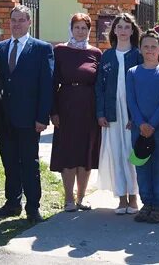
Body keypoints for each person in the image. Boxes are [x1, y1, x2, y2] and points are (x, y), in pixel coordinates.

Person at [0, 4, 54, 224]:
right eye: (13, 20)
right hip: (5, 119)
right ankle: (12, 203)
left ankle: (33, 207)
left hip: (29, 119)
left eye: (21, 20)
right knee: (9, 163)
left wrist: (42, 117)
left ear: (29, 22)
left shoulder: (41, 48)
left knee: (29, 163)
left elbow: (46, 85)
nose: (16, 24)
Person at [50, 12, 102, 212]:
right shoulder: (60, 50)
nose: (80, 31)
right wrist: (53, 111)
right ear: (71, 29)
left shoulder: (96, 53)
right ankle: (69, 199)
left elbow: (99, 85)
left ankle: (82, 198)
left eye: (84, 28)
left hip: (88, 108)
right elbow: (52, 82)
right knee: (69, 153)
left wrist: (99, 113)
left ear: (89, 31)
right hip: (66, 107)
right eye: (77, 27)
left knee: (86, 153)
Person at [126, 29, 159, 223]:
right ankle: (146, 203)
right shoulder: (133, 73)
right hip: (139, 129)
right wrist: (140, 123)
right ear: (140, 49)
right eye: (145, 46)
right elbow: (131, 100)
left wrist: (152, 124)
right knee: (142, 167)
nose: (149, 50)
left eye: (153, 47)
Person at [96, 12, 143, 215]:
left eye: (127, 27)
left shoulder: (138, 55)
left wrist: (138, 117)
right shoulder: (106, 56)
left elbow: (142, 86)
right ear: (114, 30)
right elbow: (99, 87)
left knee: (131, 154)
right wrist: (100, 113)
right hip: (112, 113)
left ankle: (134, 197)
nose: (123, 31)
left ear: (132, 31)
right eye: (119, 27)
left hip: (132, 114)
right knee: (116, 154)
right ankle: (121, 198)